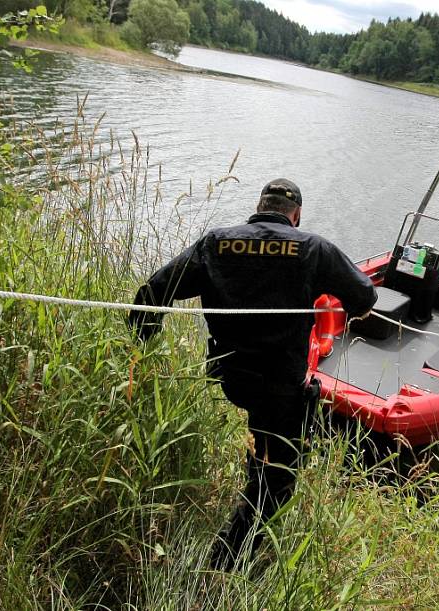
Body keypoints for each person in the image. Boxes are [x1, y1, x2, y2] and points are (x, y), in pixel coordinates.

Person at [128, 178, 377, 570]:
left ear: (260, 205)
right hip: (280, 387)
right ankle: (227, 560)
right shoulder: (313, 248)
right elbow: (365, 297)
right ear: (296, 215)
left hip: (233, 378)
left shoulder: (217, 243)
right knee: (280, 480)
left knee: (263, 439)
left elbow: (156, 290)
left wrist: (140, 344)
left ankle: (254, 470)